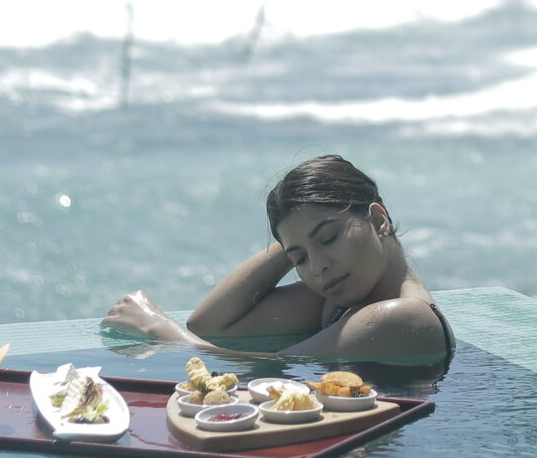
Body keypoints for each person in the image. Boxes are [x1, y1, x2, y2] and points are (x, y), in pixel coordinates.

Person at [101, 155, 451, 363]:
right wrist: (295, 240)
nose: (317, 267)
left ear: (377, 220)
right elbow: (211, 325)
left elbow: (272, 374)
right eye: (298, 258)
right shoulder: (340, 301)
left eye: (328, 238)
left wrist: (157, 328)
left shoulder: (403, 316)